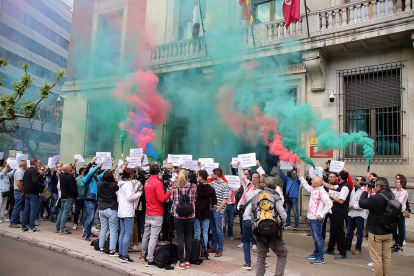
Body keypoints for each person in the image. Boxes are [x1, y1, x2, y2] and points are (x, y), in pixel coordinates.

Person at [250, 177, 287, 276]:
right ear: (275, 186)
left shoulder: (256, 196)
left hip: (260, 231)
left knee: (261, 256)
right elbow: (284, 216)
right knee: (282, 254)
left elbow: (251, 213)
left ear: (264, 185)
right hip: (274, 233)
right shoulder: (275, 197)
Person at [359, 177, 393, 276]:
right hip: (388, 230)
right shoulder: (391, 195)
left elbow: (362, 203)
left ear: (378, 186)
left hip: (376, 232)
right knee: (387, 257)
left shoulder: (376, 198)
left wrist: (365, 192)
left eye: (375, 185)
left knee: (377, 258)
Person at [141, 164, 172, 267]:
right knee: (153, 236)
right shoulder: (158, 183)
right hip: (157, 212)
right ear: (159, 172)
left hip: (149, 212)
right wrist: (168, 192)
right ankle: (150, 259)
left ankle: (143, 254)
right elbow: (162, 199)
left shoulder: (147, 182)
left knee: (146, 234)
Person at [298, 173, 332, 265]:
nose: (311, 181)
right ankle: (316, 253)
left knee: (318, 238)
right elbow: (306, 185)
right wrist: (300, 176)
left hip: (317, 218)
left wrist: (321, 215)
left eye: (313, 180)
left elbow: (329, 204)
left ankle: (321, 258)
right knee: (315, 237)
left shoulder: (322, 192)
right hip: (311, 217)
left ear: (317, 183)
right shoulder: (314, 189)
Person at [170, 170, 197, 269]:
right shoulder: (193, 186)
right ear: (187, 177)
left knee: (180, 238)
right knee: (188, 238)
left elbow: (172, 199)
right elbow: (194, 198)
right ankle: (187, 261)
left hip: (178, 216)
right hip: (190, 216)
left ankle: (181, 262)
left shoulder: (174, 187)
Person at [324, 170, 351, 259]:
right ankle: (330, 248)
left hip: (340, 212)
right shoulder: (340, 185)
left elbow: (341, 201)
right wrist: (322, 181)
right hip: (335, 211)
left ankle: (343, 252)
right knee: (333, 231)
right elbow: (331, 187)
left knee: (339, 232)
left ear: (340, 177)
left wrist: (331, 197)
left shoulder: (345, 187)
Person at [240, 175, 265, 270]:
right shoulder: (266, 195)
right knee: (261, 241)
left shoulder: (249, 194)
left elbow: (245, 203)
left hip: (247, 218)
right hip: (259, 220)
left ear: (256, 187)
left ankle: (248, 263)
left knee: (246, 241)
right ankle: (263, 262)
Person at [117, 168, 142, 262]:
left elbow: (128, 193)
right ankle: (124, 254)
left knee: (122, 233)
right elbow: (130, 197)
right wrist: (139, 194)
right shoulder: (128, 184)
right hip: (128, 211)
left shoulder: (121, 183)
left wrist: (136, 188)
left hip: (122, 210)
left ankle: (121, 253)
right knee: (128, 233)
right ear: (130, 175)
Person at [207, 168, 229, 257]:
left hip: (218, 211)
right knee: (213, 229)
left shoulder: (225, 185)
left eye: (212, 174)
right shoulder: (213, 183)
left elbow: (225, 200)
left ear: (216, 174)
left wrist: (218, 209)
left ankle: (220, 249)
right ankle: (213, 247)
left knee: (219, 231)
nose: (212, 175)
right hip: (212, 210)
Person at [82, 160, 105, 241]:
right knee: (90, 217)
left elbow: (103, 174)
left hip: (95, 200)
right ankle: (85, 234)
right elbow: (90, 173)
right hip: (89, 199)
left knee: (91, 218)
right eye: (94, 171)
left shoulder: (96, 179)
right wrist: (98, 166)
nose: (96, 173)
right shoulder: (87, 179)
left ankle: (89, 232)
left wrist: (108, 166)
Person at [97, 171, 119, 256]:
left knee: (103, 229)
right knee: (113, 230)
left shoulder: (99, 184)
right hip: (111, 207)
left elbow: (98, 195)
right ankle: (112, 250)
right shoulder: (114, 186)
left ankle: (101, 247)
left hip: (102, 208)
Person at [21, 158, 46, 233]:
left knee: (26, 209)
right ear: (35, 163)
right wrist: (42, 187)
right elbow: (35, 181)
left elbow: (24, 181)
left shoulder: (26, 171)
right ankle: (31, 227)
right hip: (33, 193)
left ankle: (23, 226)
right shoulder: (33, 171)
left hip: (27, 192)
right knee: (33, 210)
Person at [194, 169, 216, 252]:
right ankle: (205, 249)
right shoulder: (211, 189)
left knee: (197, 231)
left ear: (200, 177)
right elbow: (215, 202)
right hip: (206, 211)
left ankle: (197, 250)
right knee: (205, 232)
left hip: (197, 211)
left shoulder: (196, 187)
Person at [345, 176, 368, 255]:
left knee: (359, 232)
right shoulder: (353, 190)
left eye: (357, 180)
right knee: (349, 231)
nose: (356, 181)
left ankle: (358, 248)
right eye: (356, 179)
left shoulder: (364, 191)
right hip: (351, 213)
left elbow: (363, 204)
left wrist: (353, 206)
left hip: (359, 214)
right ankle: (347, 245)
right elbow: (351, 199)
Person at [55, 164, 78, 234]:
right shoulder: (70, 177)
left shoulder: (61, 176)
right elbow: (73, 188)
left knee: (61, 211)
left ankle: (57, 227)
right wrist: (75, 195)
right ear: (68, 170)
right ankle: (62, 229)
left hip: (63, 196)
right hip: (69, 196)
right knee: (65, 212)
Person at [391, 176, 408, 253]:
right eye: (396, 182)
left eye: (398, 182)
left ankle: (400, 245)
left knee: (400, 229)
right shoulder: (395, 191)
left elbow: (399, 202)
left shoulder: (404, 192)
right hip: (394, 212)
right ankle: (396, 242)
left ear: (402, 183)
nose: (396, 184)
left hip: (400, 212)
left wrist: (393, 203)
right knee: (393, 228)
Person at [9, 160, 27, 228]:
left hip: (18, 191)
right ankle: (13, 222)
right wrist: (23, 191)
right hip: (19, 191)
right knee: (17, 207)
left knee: (19, 207)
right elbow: (19, 183)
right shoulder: (20, 172)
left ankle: (16, 219)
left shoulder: (20, 171)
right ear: (24, 165)